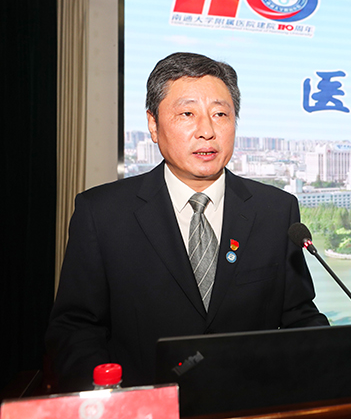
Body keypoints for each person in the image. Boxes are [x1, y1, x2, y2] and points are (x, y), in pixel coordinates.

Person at [46, 52, 328, 391]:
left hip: (251, 403)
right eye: (187, 114)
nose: (207, 131)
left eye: (220, 114)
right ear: (153, 125)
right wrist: (113, 399)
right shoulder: (102, 213)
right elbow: (75, 329)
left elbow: (299, 316)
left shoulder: (276, 210)